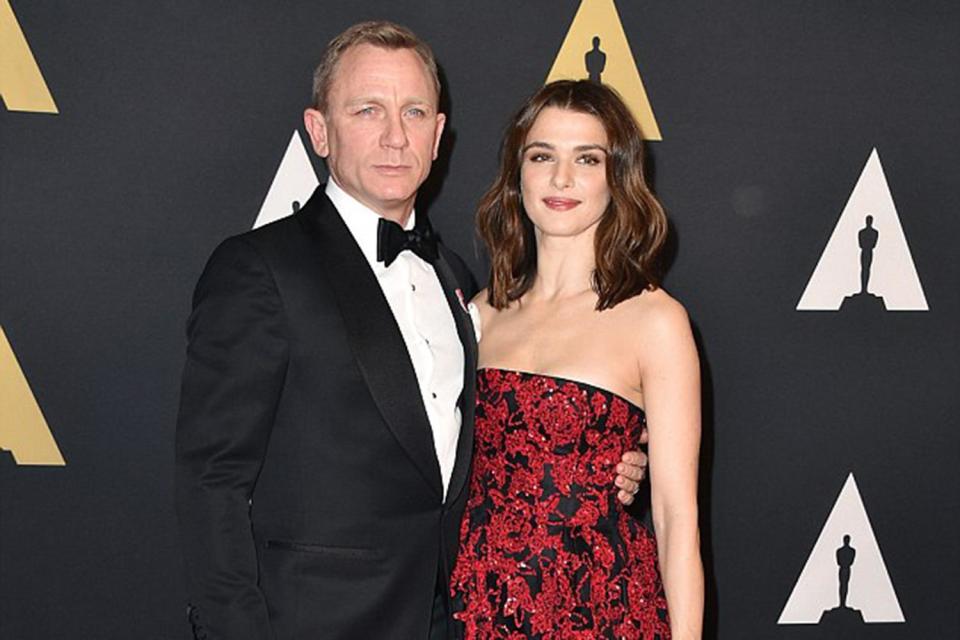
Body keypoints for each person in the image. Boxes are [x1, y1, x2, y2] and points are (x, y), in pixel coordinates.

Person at [174, 22, 647, 640]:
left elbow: (481, 444)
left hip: (459, 616)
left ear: (438, 135)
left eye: (414, 112)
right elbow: (212, 483)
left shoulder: (457, 280)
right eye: (368, 110)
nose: (395, 137)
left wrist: (598, 464)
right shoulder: (259, 270)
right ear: (320, 131)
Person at [450, 80, 704, 639]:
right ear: (518, 174)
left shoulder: (655, 321)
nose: (561, 179)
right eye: (542, 156)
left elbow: (676, 518)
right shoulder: (478, 315)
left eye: (586, 159)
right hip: (475, 607)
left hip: (599, 610)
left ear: (617, 179)